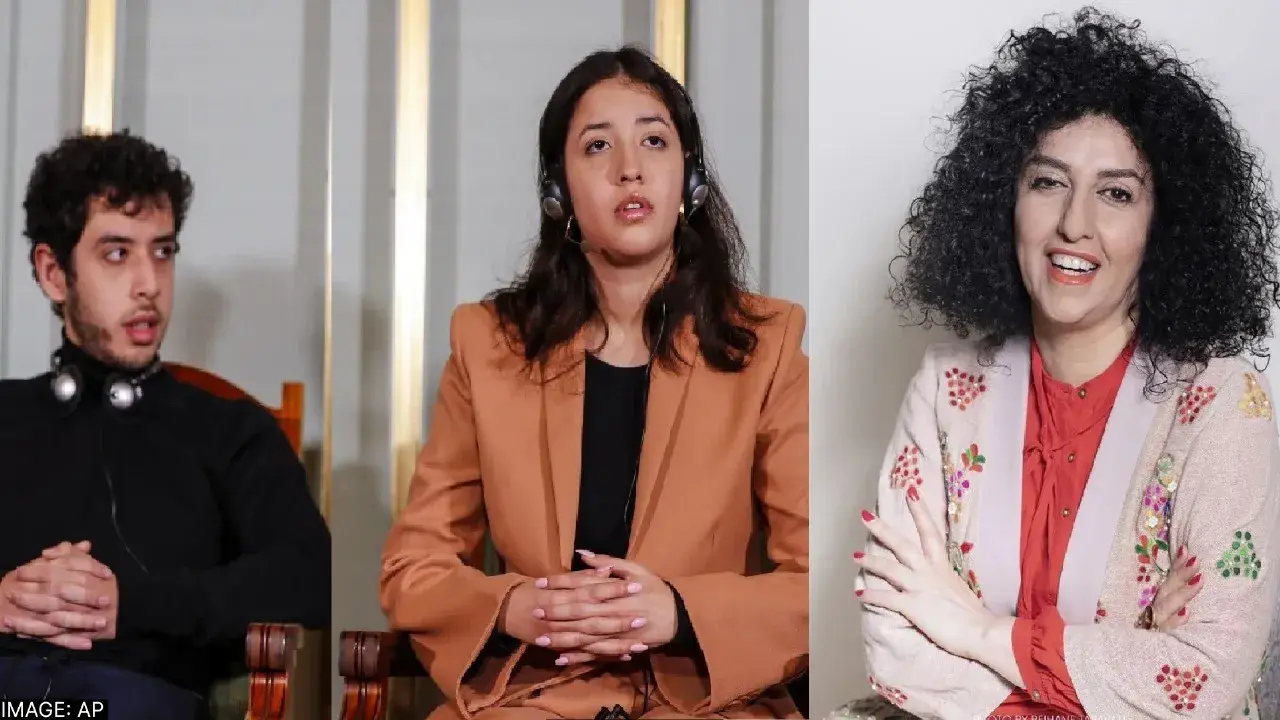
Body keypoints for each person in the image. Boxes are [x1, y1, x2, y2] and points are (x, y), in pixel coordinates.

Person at [842, 8, 1280, 720]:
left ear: (1162, 228)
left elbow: (1206, 673)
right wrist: (1107, 673)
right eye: (1047, 182)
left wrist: (975, 632)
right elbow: (895, 641)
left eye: (1116, 193)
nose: (1075, 223)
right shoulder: (946, 388)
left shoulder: (1225, 401)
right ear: (1003, 201)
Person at [379, 46, 808, 720]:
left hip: (701, 703)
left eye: (655, 141)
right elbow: (415, 567)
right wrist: (516, 606)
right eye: (597, 146)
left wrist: (679, 612)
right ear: (559, 190)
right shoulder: (487, 344)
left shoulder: (767, 345)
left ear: (689, 178)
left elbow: (817, 582)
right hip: (538, 700)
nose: (629, 168)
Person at [0, 131, 331, 719]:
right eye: (117, 253)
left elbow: (307, 577)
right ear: (53, 273)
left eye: (163, 251)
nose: (149, 284)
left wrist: (132, 604)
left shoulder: (230, 432)